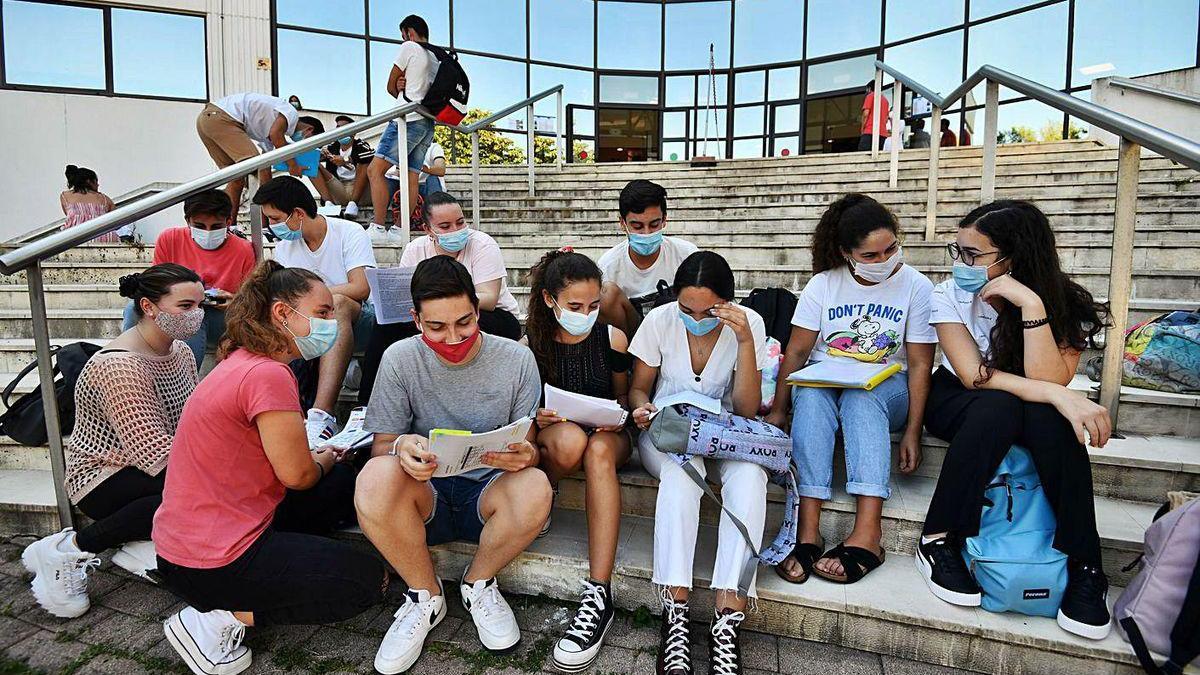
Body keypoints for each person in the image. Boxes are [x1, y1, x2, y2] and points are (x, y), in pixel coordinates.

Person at [153, 260, 385, 675]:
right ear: (282, 314)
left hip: (182, 547)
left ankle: (271, 570)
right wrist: (326, 458)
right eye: (323, 313)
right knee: (366, 582)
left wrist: (325, 463)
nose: (331, 323)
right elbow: (297, 476)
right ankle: (216, 620)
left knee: (340, 484)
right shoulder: (268, 375)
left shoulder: (241, 360)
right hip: (215, 561)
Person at [916, 200, 1113, 641]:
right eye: (958, 250)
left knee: (1050, 418)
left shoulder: (1064, 301)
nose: (960, 263)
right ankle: (938, 539)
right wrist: (1063, 398)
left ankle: (1085, 564)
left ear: (1012, 258)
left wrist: (1029, 302)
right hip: (961, 399)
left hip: (1030, 405)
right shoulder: (946, 294)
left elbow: (1049, 378)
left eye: (973, 255)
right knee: (1004, 405)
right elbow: (973, 375)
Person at [354, 256, 551, 675]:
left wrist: (525, 454)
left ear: (478, 311)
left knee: (536, 485)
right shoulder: (399, 358)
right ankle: (425, 595)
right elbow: (382, 448)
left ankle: (477, 582)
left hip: (490, 495)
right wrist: (402, 447)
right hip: (428, 497)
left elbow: (529, 446)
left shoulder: (517, 360)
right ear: (415, 319)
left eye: (464, 322)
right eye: (436, 327)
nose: (453, 338)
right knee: (374, 478)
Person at [766, 194, 936, 586]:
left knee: (863, 398)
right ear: (847, 253)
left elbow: (922, 363)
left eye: (891, 248)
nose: (885, 260)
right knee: (809, 395)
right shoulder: (825, 285)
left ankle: (868, 533)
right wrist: (779, 407)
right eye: (871, 255)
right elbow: (797, 350)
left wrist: (913, 429)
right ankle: (808, 530)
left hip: (886, 387)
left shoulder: (916, 287)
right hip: (828, 381)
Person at [22, 264, 203, 619]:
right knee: (193, 496)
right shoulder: (120, 366)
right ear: (149, 307)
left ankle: (140, 545)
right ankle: (69, 548)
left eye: (201, 304)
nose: (197, 315)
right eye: (185, 306)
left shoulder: (179, 351)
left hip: (154, 467)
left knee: (201, 491)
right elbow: (153, 453)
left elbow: (191, 421)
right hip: (103, 476)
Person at [627, 251, 769, 675]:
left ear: (728, 302)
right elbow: (638, 388)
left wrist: (743, 341)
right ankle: (677, 611)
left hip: (726, 431)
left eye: (708, 310)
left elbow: (746, 409)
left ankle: (728, 615)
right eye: (686, 308)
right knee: (680, 476)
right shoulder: (660, 320)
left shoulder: (751, 325)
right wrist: (642, 410)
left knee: (750, 475)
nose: (695, 317)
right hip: (669, 431)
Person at [525, 250, 632, 672]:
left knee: (599, 450)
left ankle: (599, 589)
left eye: (592, 305)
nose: (585, 314)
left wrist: (618, 416)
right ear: (551, 300)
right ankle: (545, 489)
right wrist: (538, 413)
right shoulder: (530, 342)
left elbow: (623, 396)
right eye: (575, 306)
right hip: (561, 433)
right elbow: (526, 406)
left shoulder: (612, 338)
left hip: (608, 435)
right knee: (570, 440)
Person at [357, 191, 520, 405]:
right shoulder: (415, 249)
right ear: (427, 229)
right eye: (445, 226)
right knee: (385, 326)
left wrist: (443, 302)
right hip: (435, 319)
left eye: (460, 223)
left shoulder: (482, 245)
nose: (455, 231)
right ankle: (365, 407)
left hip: (489, 317)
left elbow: (489, 298)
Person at [252, 176, 377, 446]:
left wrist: (315, 300)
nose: (272, 226)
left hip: (359, 317)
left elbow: (361, 287)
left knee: (339, 304)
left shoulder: (348, 232)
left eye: (274, 219)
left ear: (297, 214)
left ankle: (322, 416)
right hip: (307, 322)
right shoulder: (287, 246)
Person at [121, 190, 255, 369]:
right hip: (173, 311)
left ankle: (184, 383)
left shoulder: (243, 250)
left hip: (221, 317)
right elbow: (154, 287)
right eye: (199, 226)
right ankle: (127, 365)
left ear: (228, 223)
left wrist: (234, 301)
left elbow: (252, 303)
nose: (207, 232)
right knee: (133, 308)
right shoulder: (170, 239)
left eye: (216, 227)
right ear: (188, 222)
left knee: (193, 317)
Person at [195, 92, 322, 214]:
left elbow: (266, 161)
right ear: (309, 129)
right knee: (254, 167)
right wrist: (293, 165)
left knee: (236, 176)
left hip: (206, 120)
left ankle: (228, 225)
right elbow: (276, 136)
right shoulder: (291, 113)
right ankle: (264, 224)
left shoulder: (267, 130)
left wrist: (268, 185)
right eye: (310, 141)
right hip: (221, 117)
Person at [367, 14, 436, 237]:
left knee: (374, 170)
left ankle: (378, 226)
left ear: (409, 32)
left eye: (403, 36)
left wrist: (397, 84)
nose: (402, 40)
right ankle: (400, 228)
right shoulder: (435, 57)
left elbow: (390, 86)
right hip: (426, 122)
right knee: (411, 176)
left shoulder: (410, 48)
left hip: (406, 120)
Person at [597, 179, 696, 334]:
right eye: (637, 226)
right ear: (623, 223)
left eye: (654, 225)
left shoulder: (686, 254)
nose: (646, 233)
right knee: (606, 293)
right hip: (632, 336)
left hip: (677, 332)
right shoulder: (609, 265)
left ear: (664, 220)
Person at [374, 141, 446, 243]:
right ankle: (378, 222)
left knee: (433, 178)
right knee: (388, 180)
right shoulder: (401, 146)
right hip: (406, 185)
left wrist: (419, 168)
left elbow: (441, 169)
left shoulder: (434, 147)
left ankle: (438, 217)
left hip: (425, 186)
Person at [321, 115, 375, 217]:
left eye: (344, 128)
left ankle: (353, 204)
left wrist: (346, 160)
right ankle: (328, 203)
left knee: (364, 162)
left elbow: (372, 155)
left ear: (353, 132)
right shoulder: (332, 147)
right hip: (340, 189)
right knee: (313, 164)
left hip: (360, 191)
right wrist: (321, 155)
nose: (340, 131)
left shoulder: (361, 145)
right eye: (338, 128)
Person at [60, 165, 125, 243]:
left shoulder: (65, 195)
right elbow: (118, 220)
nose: (98, 185)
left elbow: (67, 214)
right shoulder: (104, 199)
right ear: (88, 181)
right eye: (96, 181)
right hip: (105, 238)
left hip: (75, 237)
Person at [858, 81, 890, 151]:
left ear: (869, 88)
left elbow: (866, 114)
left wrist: (862, 128)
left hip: (869, 131)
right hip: (882, 134)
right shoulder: (886, 101)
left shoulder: (870, 96)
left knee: (863, 155)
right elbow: (886, 119)